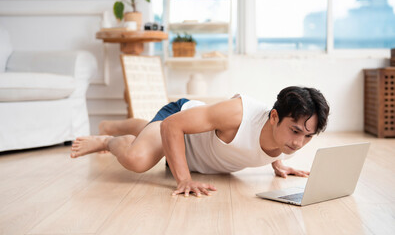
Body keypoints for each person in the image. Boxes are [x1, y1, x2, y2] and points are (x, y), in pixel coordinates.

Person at [71, 86, 330, 197]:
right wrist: (184, 179)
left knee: (149, 134)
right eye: (295, 132)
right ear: (274, 116)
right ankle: (108, 139)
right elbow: (173, 125)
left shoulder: (287, 138)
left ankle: (126, 126)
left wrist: (278, 163)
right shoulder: (237, 113)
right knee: (137, 158)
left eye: (308, 136)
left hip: (189, 147)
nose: (298, 143)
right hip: (178, 125)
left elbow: (266, 145)